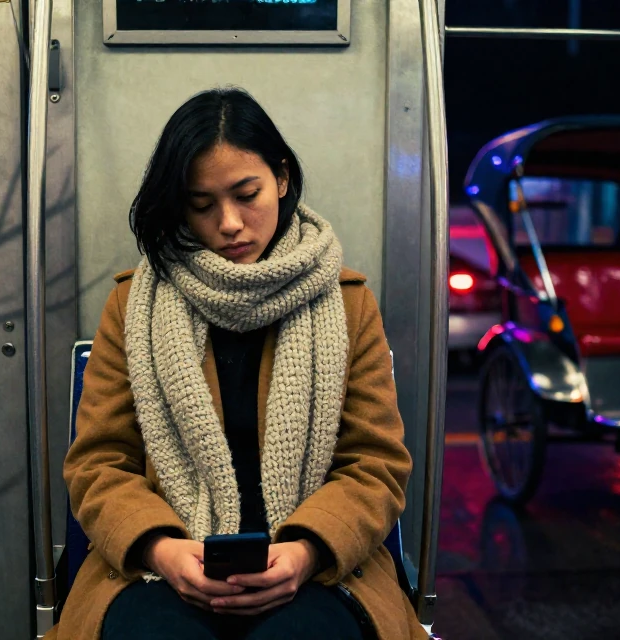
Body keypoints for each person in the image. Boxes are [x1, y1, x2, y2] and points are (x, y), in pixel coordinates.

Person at [50, 87, 420, 639]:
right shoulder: (134, 306)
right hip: (160, 569)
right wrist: (160, 548)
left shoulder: (348, 305)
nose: (228, 223)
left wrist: (306, 551)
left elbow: (375, 465)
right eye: (202, 205)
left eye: (247, 195)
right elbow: (98, 465)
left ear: (282, 178)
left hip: (317, 569)